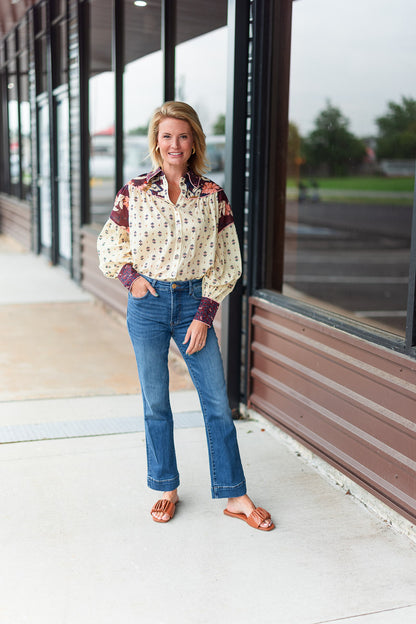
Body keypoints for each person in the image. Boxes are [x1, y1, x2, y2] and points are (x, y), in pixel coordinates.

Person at [97, 101, 274, 531]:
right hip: (148, 304)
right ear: (156, 143)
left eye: (182, 135)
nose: (174, 144)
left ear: (194, 141)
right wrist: (131, 280)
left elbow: (229, 259)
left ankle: (234, 495)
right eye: (166, 136)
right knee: (156, 403)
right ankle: (165, 487)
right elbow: (109, 243)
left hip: (193, 305)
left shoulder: (212, 195)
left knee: (216, 402)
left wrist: (205, 313)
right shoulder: (133, 191)